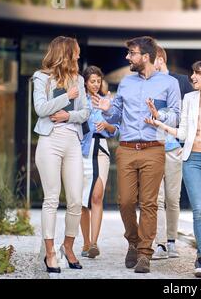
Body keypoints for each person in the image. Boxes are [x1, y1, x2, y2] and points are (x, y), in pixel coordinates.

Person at [92, 36, 181, 273]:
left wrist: (158, 115)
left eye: (131, 53)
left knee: (150, 203)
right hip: (127, 149)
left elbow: (176, 116)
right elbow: (116, 115)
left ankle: (144, 253)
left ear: (145, 57)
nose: (127, 57)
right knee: (126, 201)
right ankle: (132, 241)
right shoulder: (126, 82)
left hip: (154, 148)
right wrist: (107, 109)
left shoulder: (169, 83)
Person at [145, 59, 201, 277]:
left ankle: (200, 258)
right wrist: (159, 124)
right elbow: (183, 133)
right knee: (199, 209)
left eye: (197, 73)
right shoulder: (189, 98)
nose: (192, 77)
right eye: (193, 72)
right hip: (192, 160)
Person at [33, 36, 90, 273]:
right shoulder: (42, 77)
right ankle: (49, 253)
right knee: (52, 199)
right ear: (65, 53)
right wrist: (67, 97)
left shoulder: (79, 79)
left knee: (76, 199)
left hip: (72, 142)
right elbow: (41, 109)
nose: (78, 56)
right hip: (50, 141)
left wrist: (69, 116)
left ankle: (68, 246)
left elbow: (86, 112)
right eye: (75, 52)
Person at [151, 46, 194, 260]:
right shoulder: (147, 84)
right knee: (156, 199)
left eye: (151, 60)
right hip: (152, 148)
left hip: (174, 147)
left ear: (159, 59)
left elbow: (189, 114)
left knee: (172, 198)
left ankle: (171, 241)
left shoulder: (182, 82)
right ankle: (159, 244)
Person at [80, 66, 119, 259]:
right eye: (92, 81)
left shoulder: (107, 101)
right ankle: (85, 242)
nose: (95, 84)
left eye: (98, 80)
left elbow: (116, 128)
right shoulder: (79, 100)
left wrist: (107, 124)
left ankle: (94, 243)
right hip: (81, 151)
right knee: (81, 200)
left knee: (97, 195)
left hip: (101, 148)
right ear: (85, 81)